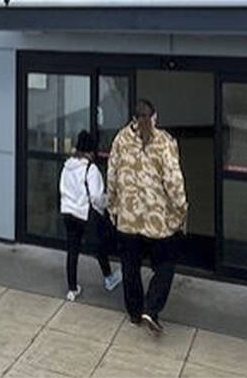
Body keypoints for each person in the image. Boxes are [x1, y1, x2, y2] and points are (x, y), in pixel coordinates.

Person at [106, 99, 188, 333]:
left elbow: (111, 177)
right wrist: (181, 209)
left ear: (133, 118)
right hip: (157, 221)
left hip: (128, 219)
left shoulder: (120, 139)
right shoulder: (164, 142)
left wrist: (113, 208)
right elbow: (174, 182)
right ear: (155, 117)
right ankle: (151, 309)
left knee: (130, 267)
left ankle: (134, 313)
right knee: (165, 264)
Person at [59, 130, 123, 302]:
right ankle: (109, 278)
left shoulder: (67, 166)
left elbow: (63, 189)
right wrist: (107, 203)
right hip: (85, 214)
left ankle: (72, 289)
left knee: (72, 251)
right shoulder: (91, 169)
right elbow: (96, 197)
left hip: (68, 212)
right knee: (99, 246)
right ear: (91, 150)